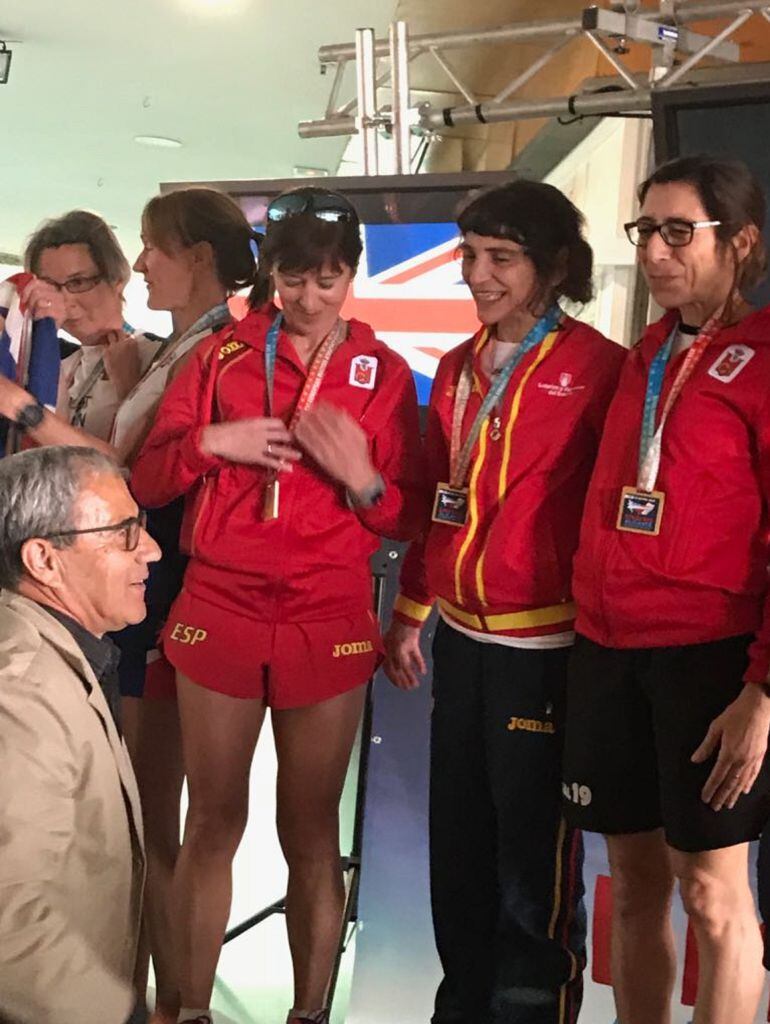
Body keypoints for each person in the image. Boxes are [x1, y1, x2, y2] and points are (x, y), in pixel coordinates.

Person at [130, 186, 425, 1024]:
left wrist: (362, 476)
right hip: (219, 602)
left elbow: (404, 509)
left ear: (353, 276)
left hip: (325, 615)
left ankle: (307, 1013)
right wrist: (208, 443)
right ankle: (186, 1010)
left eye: (328, 280)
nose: (308, 299)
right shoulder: (222, 355)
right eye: (293, 278)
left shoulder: (383, 372)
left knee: (310, 834)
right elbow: (149, 478)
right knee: (212, 820)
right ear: (271, 272)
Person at [384, 180, 626, 1024]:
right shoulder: (455, 366)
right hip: (461, 639)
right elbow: (435, 496)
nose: (479, 276)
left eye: (503, 259)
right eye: (471, 256)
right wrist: (414, 607)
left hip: (546, 651)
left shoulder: (599, 369)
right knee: (458, 851)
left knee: (531, 866)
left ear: (554, 266)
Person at [563, 154, 770, 1024]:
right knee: (634, 877)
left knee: (712, 894)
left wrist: (764, 688)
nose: (654, 251)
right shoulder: (645, 354)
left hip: (710, 659)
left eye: (679, 232)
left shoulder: (763, 362)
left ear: (743, 242)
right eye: (644, 231)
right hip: (607, 648)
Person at [122, 186, 258, 1024]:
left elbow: (130, 471)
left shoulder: (229, 348)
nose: (142, 263)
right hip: (144, 593)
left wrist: (20, 406)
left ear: (199, 257)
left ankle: (173, 1004)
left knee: (157, 820)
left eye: (151, 247)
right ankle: (150, 996)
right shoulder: (180, 347)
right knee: (143, 822)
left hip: (175, 595)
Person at [0, 445, 160, 1024]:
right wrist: (118, 1015)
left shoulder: (68, 654)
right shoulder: (18, 694)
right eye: (125, 533)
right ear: (44, 559)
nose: (153, 550)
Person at [24, 209, 161, 438]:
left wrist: (130, 388)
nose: (65, 300)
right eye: (51, 286)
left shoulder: (159, 357)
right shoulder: (61, 365)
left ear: (117, 280)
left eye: (78, 282)